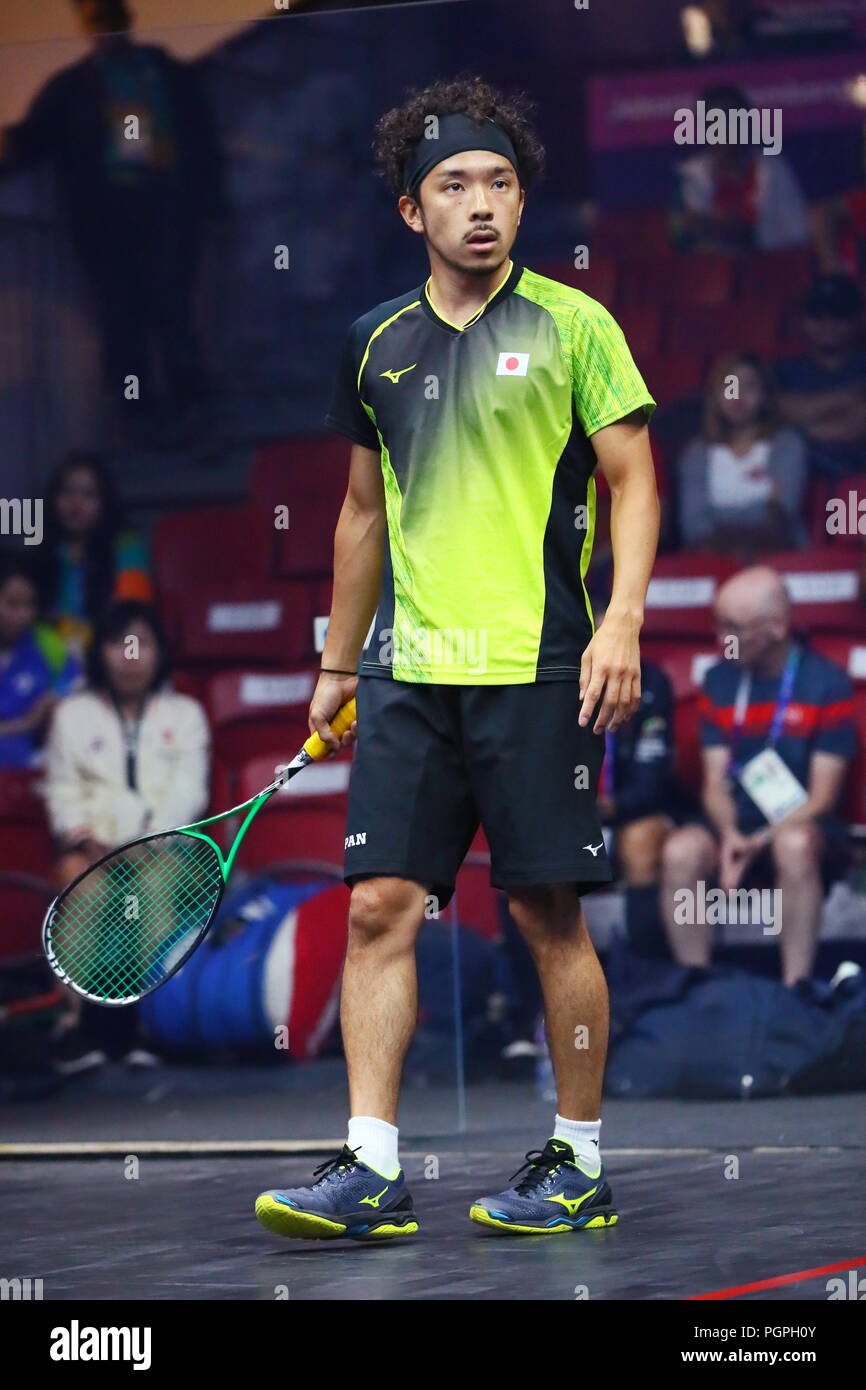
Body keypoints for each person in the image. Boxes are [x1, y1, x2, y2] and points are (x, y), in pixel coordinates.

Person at [255, 75, 659, 1241]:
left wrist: (623, 617)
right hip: (408, 676)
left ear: (520, 200)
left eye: (498, 183)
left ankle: (576, 1159)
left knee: (545, 916)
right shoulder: (372, 343)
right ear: (409, 211)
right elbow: (359, 516)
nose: (479, 204)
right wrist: (336, 670)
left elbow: (631, 481)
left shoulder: (577, 326)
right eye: (453, 186)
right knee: (379, 906)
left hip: (540, 665)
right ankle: (371, 1168)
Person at [0, 0, 223, 411]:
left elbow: (202, 135)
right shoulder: (72, 87)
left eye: (111, 17)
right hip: (107, 219)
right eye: (99, 19)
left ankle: (191, 409)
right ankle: (140, 412)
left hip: (166, 209)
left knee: (171, 309)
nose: (107, 27)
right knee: (123, 317)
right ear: (87, 25)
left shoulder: (165, 71)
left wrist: (213, 204)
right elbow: (31, 140)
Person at [660, 567, 854, 987]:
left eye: (732, 627)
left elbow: (822, 798)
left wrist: (760, 840)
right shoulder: (719, 681)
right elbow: (714, 782)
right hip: (736, 822)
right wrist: (731, 834)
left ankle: (795, 987)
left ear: (777, 627)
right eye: (718, 625)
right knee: (681, 851)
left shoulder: (828, 685)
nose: (720, 639)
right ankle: (695, 988)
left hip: (802, 824)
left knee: (795, 844)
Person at [44, 599, 210, 1073]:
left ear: (160, 652)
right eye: (119, 645)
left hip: (166, 851)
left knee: (156, 887)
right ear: (101, 652)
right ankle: (79, 1027)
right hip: (90, 850)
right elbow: (62, 789)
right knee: (85, 889)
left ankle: (148, 1024)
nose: (130, 657)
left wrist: (143, 842)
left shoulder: (185, 715)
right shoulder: (71, 716)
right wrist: (87, 839)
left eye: (142, 644)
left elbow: (189, 794)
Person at [677, 352, 809, 554]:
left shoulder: (786, 445)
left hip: (775, 553)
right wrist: (758, 510)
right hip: (713, 555)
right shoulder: (697, 453)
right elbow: (694, 526)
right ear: (715, 395)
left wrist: (722, 519)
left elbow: (783, 516)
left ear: (765, 395)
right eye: (729, 385)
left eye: (749, 386)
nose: (737, 394)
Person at [34, 453, 152, 653]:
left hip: (108, 652)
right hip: (51, 657)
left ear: (105, 502)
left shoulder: (127, 546)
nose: (75, 503)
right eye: (67, 492)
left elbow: (131, 613)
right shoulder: (42, 547)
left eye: (88, 494)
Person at [671, 84, 810, 253]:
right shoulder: (689, 175)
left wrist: (750, 237)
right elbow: (691, 236)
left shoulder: (773, 169)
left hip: (770, 267)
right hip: (712, 270)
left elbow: (798, 232)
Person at [775, 274, 866, 481]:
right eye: (817, 313)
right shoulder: (782, 370)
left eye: (839, 312)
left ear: (858, 319)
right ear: (803, 320)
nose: (827, 321)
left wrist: (794, 431)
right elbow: (765, 410)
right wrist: (849, 396)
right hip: (793, 480)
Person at [0, 552, 81, 769]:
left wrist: (57, 701)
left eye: (30, 604)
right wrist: (26, 723)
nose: (23, 615)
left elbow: (74, 686)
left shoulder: (49, 644)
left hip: (31, 762)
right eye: (12, 603)